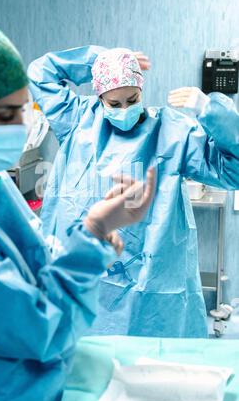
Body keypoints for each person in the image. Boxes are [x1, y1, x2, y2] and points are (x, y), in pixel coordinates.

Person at [0, 25, 155, 401]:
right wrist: (92, 232)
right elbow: (38, 326)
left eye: (23, 111)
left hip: (36, 381)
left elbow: (38, 255)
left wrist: (94, 237)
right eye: (5, 115)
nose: (23, 128)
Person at [28, 45, 239, 338]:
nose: (125, 110)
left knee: (151, 369)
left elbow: (234, 171)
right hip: (88, 271)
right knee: (85, 365)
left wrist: (211, 111)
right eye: (114, 104)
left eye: (132, 99)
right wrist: (100, 57)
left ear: (141, 90)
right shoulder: (77, 119)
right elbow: (40, 73)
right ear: (99, 96)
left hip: (152, 281)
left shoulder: (171, 131)